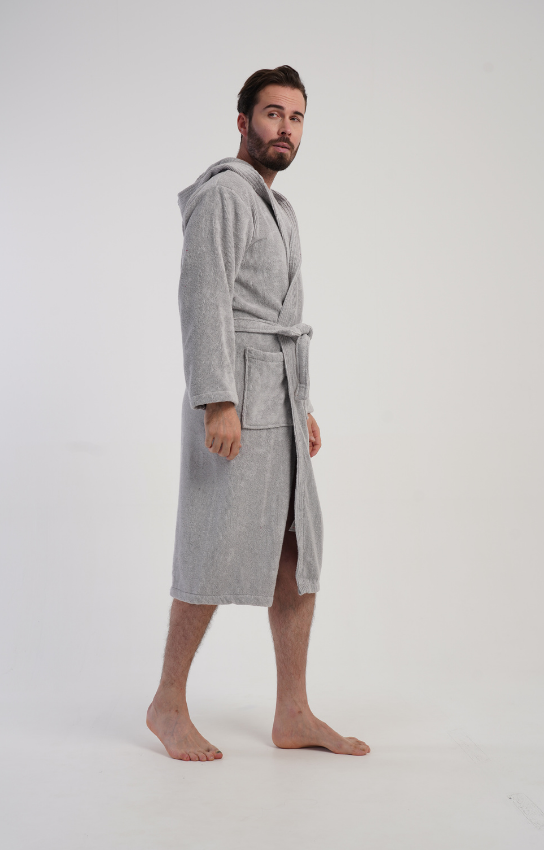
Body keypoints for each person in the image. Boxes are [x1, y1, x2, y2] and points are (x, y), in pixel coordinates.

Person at [147, 65, 370, 761]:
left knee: (296, 551)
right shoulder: (224, 196)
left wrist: (301, 404)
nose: (286, 129)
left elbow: (280, 316)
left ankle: (293, 712)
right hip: (235, 404)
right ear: (243, 122)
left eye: (296, 118)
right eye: (273, 114)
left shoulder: (280, 207)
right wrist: (218, 401)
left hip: (278, 399)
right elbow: (204, 299)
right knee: (214, 544)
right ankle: (167, 703)